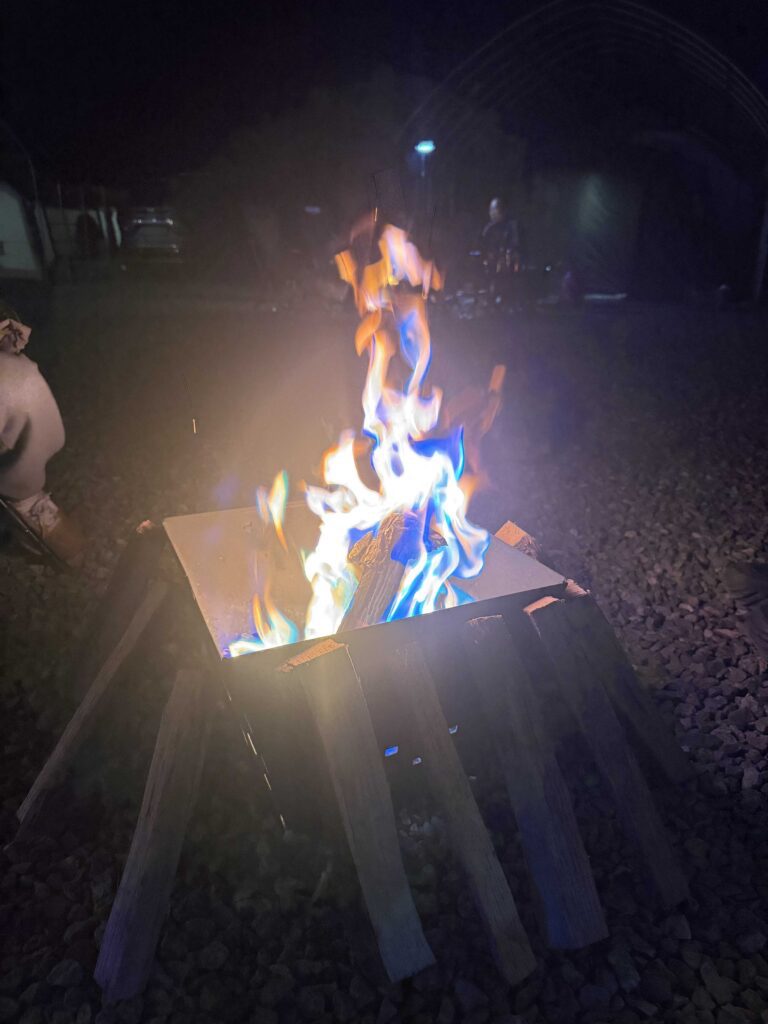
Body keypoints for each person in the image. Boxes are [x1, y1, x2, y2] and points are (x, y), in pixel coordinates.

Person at [0, 300, 85, 566]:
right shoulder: (14, 363)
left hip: (19, 468)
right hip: (26, 450)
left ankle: (29, 510)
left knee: (23, 491)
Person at [481, 197, 522, 306]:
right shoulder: (489, 228)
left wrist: (508, 256)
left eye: (494, 210)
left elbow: (515, 245)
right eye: (490, 210)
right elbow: (483, 246)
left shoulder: (511, 226)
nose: (491, 213)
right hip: (493, 266)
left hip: (508, 265)